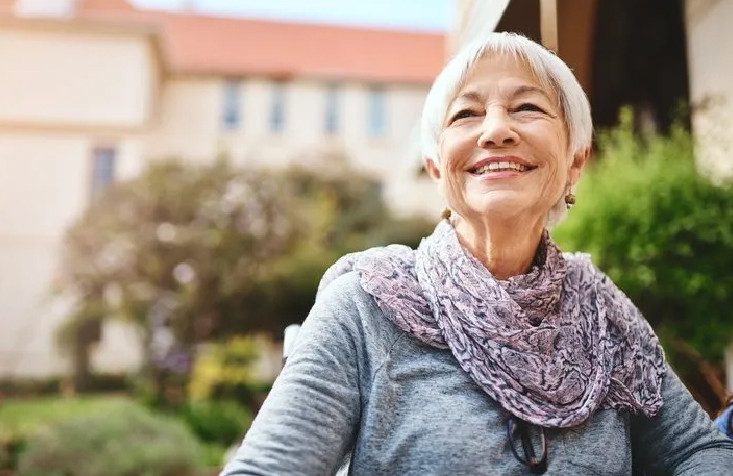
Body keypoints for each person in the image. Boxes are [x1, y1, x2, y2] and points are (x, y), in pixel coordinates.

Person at [220, 32, 733, 475]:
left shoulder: (607, 319)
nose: (495, 130)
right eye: (466, 114)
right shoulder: (365, 308)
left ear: (576, 161)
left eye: (527, 107)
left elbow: (698, 451)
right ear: (436, 168)